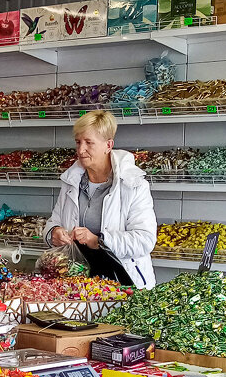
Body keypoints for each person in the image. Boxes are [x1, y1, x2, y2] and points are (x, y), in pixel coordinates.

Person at [43, 110, 158, 289]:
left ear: (108, 145)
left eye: (89, 143)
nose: (81, 150)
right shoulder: (71, 182)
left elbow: (144, 240)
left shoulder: (133, 185)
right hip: (77, 281)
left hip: (123, 282)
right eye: (78, 142)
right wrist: (54, 233)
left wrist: (98, 241)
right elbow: (54, 222)